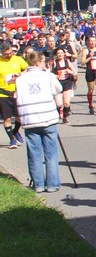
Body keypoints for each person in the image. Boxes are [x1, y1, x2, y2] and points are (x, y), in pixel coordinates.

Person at [14, 49, 61, 193]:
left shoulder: (20, 79)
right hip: (48, 118)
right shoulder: (48, 76)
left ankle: (38, 184)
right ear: (40, 62)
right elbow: (58, 89)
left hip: (30, 119)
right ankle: (52, 184)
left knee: (34, 153)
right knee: (51, 153)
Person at [0, 41, 29, 149]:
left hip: (17, 92)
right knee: (7, 118)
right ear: (2, 52)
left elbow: (28, 69)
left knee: (19, 116)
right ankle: (12, 139)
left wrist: (20, 74)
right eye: (7, 53)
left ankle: (15, 130)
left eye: (11, 52)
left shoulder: (17, 59)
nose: (9, 55)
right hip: (3, 93)